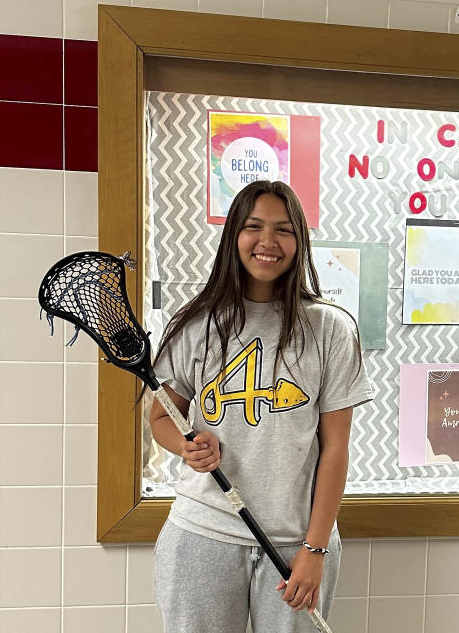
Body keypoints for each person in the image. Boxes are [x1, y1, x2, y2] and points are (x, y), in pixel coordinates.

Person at [149, 180, 371, 632]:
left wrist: (315, 549)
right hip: (202, 535)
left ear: (300, 241)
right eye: (254, 226)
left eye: (283, 229)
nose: (267, 242)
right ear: (234, 235)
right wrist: (185, 446)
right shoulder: (196, 323)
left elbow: (335, 449)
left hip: (296, 546)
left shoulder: (330, 329)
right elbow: (159, 418)